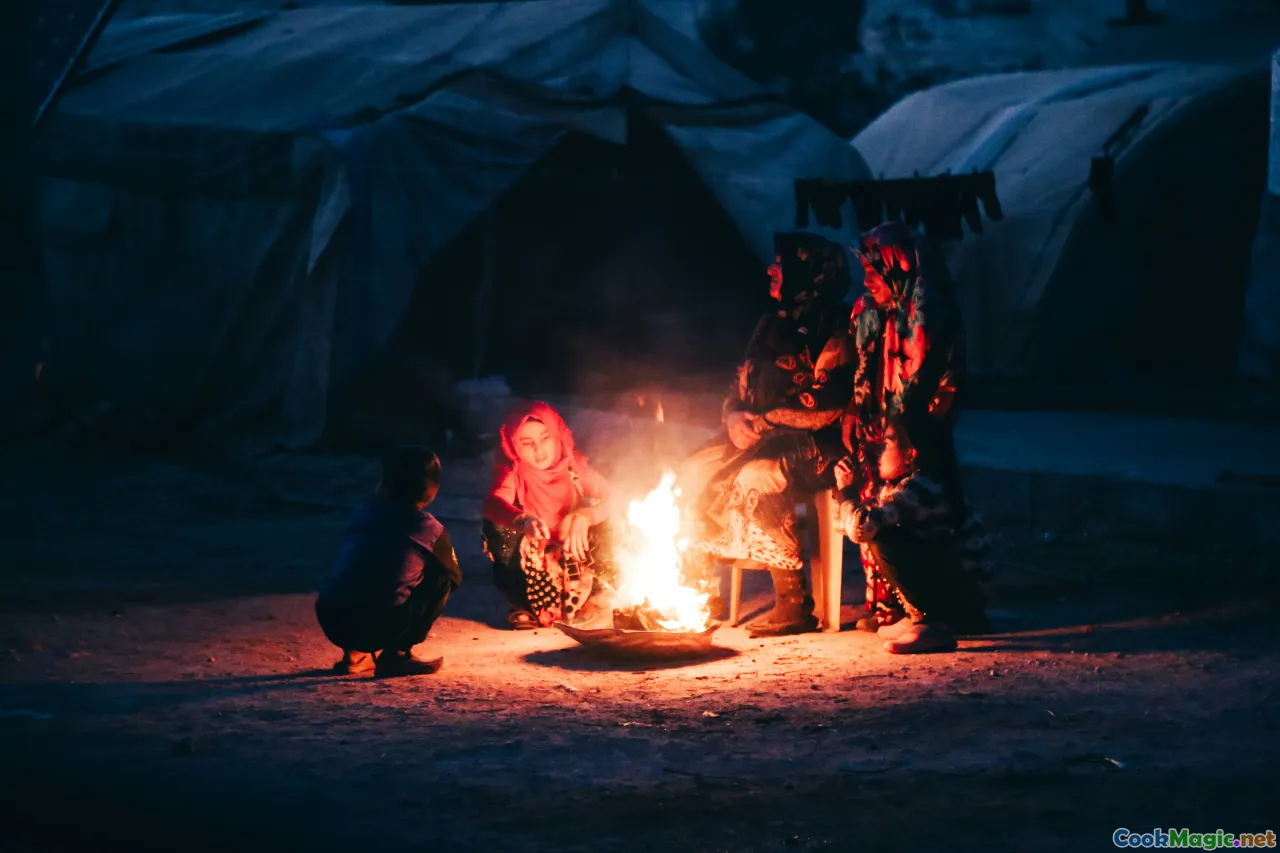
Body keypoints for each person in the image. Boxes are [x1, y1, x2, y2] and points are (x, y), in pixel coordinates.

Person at [679, 233, 856, 637]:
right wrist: (732, 418)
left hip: (817, 443)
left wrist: (762, 424)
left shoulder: (835, 323)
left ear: (807, 273)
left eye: (782, 264)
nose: (771, 270)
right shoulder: (769, 324)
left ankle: (793, 604)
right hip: (754, 434)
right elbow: (737, 384)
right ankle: (697, 591)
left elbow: (829, 404)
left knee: (758, 474)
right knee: (689, 472)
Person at [837, 220, 990, 653]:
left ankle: (934, 614)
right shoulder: (877, 312)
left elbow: (939, 384)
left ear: (896, 267)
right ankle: (896, 608)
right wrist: (860, 410)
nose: (866, 280)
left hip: (917, 433)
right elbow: (868, 369)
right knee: (879, 501)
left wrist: (906, 431)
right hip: (887, 428)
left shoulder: (930, 312)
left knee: (895, 517)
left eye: (874, 270)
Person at [316, 446, 461, 677]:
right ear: (431, 487)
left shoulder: (363, 514)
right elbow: (453, 575)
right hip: (380, 623)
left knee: (359, 570)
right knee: (443, 575)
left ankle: (354, 654)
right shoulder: (427, 527)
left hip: (331, 616)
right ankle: (397, 655)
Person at [482, 401, 615, 629]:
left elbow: (615, 497)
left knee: (610, 520)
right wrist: (523, 520)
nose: (538, 449)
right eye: (527, 443)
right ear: (514, 446)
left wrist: (586, 516)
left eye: (545, 438)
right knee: (497, 525)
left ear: (556, 435)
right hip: (534, 561)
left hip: (574, 553)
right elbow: (494, 503)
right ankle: (526, 606)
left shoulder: (574, 468)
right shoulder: (515, 472)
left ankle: (592, 599)